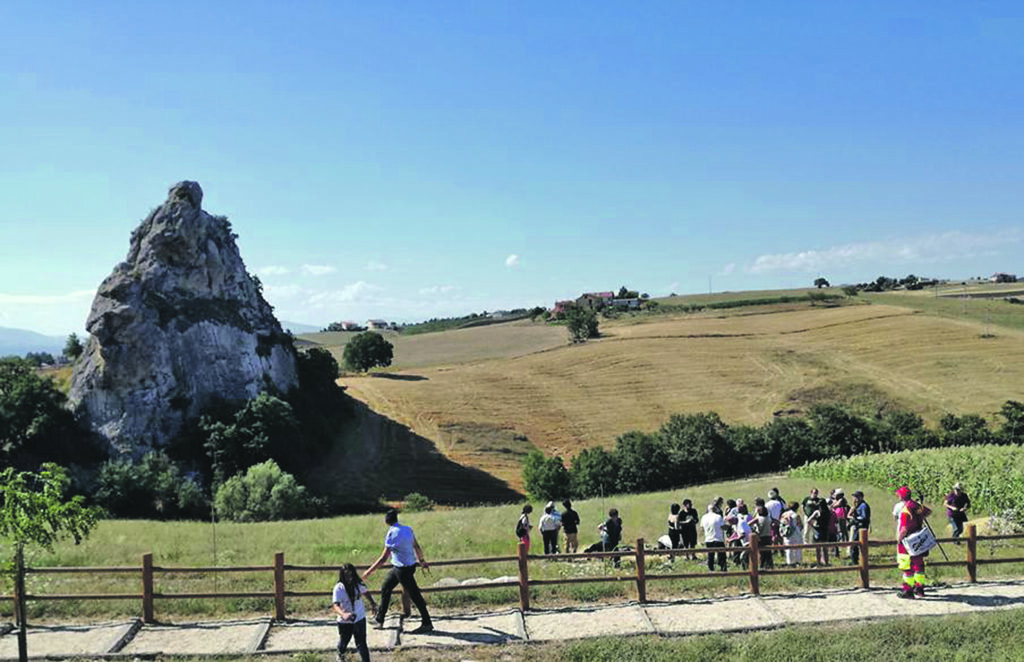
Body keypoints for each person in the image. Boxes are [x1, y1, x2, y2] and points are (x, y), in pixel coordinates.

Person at [363, 509, 433, 634]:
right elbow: (416, 546)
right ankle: (379, 619)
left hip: (402, 569)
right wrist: (421, 560)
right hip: (404, 567)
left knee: (415, 595)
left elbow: (384, 558)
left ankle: (427, 623)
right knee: (386, 587)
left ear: (386, 521)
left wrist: (369, 571)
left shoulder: (391, 533)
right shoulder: (408, 529)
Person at [332, 563, 377, 661]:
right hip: (345, 621)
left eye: (351, 575)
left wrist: (373, 603)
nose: (349, 578)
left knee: (362, 644)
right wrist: (343, 614)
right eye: (346, 576)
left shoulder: (358, 584)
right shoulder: (339, 588)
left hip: (359, 618)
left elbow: (366, 592)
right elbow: (335, 605)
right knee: (344, 641)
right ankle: (340, 655)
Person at [895, 485, 932, 599]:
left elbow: (904, 528)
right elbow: (928, 512)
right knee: (918, 565)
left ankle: (908, 590)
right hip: (918, 539)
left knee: (907, 567)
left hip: (908, 541)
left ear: (901, 496)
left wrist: (899, 539)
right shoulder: (916, 506)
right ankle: (920, 589)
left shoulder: (906, 510)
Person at [701, 504, 727, 572]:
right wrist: (728, 526)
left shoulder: (704, 517)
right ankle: (723, 569)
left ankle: (711, 569)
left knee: (710, 555)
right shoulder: (718, 517)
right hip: (718, 538)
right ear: (715, 509)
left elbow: (702, 528)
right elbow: (723, 527)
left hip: (708, 539)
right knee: (721, 555)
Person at [849, 490, 871, 565]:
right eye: (854, 497)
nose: (855, 498)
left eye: (857, 497)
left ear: (861, 497)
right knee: (854, 543)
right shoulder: (857, 505)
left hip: (862, 527)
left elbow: (864, 518)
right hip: (857, 527)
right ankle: (854, 560)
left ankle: (858, 561)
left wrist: (855, 518)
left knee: (858, 544)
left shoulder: (863, 506)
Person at [808, 500, 831, 566]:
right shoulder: (828, 512)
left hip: (818, 530)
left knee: (818, 548)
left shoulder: (817, 512)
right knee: (825, 549)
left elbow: (808, 520)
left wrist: (813, 526)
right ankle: (826, 562)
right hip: (825, 530)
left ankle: (819, 562)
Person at [752, 504, 774, 569]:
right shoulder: (768, 518)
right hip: (768, 536)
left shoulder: (758, 519)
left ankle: (762, 565)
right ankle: (770, 565)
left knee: (762, 553)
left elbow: (749, 523)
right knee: (768, 552)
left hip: (761, 537)